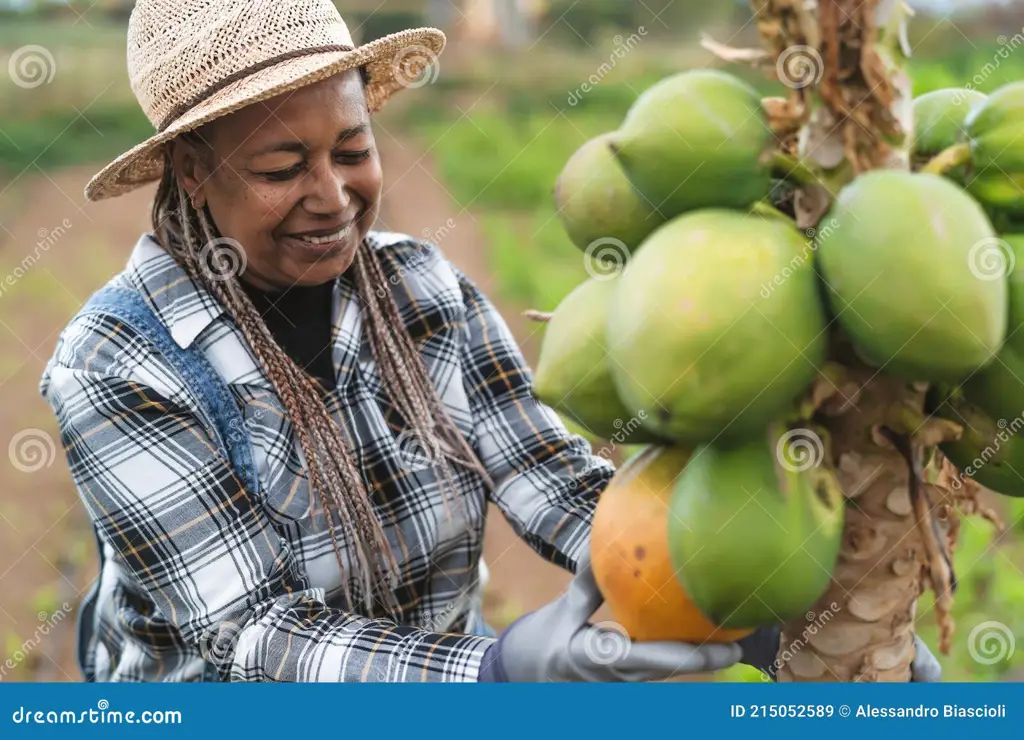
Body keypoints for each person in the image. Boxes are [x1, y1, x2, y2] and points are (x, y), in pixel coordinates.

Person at [40, 0, 940, 683]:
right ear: (192, 171)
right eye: (283, 168)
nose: (332, 194)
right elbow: (256, 633)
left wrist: (734, 593)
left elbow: (547, 478)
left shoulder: (418, 285)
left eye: (351, 149)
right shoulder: (118, 361)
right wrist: (503, 673)